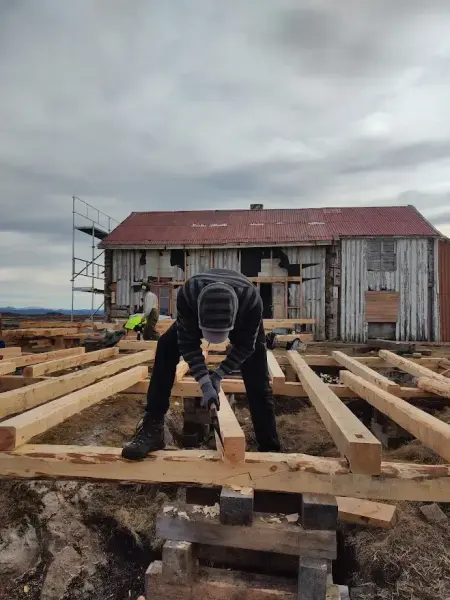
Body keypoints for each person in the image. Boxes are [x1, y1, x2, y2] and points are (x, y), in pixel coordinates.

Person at [122, 268, 281, 460]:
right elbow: (188, 345)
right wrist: (205, 382)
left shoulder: (252, 301)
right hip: (196, 306)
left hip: (243, 310)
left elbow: (245, 347)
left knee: (258, 377)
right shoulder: (187, 295)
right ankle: (152, 426)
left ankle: (269, 446)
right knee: (166, 345)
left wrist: (218, 374)